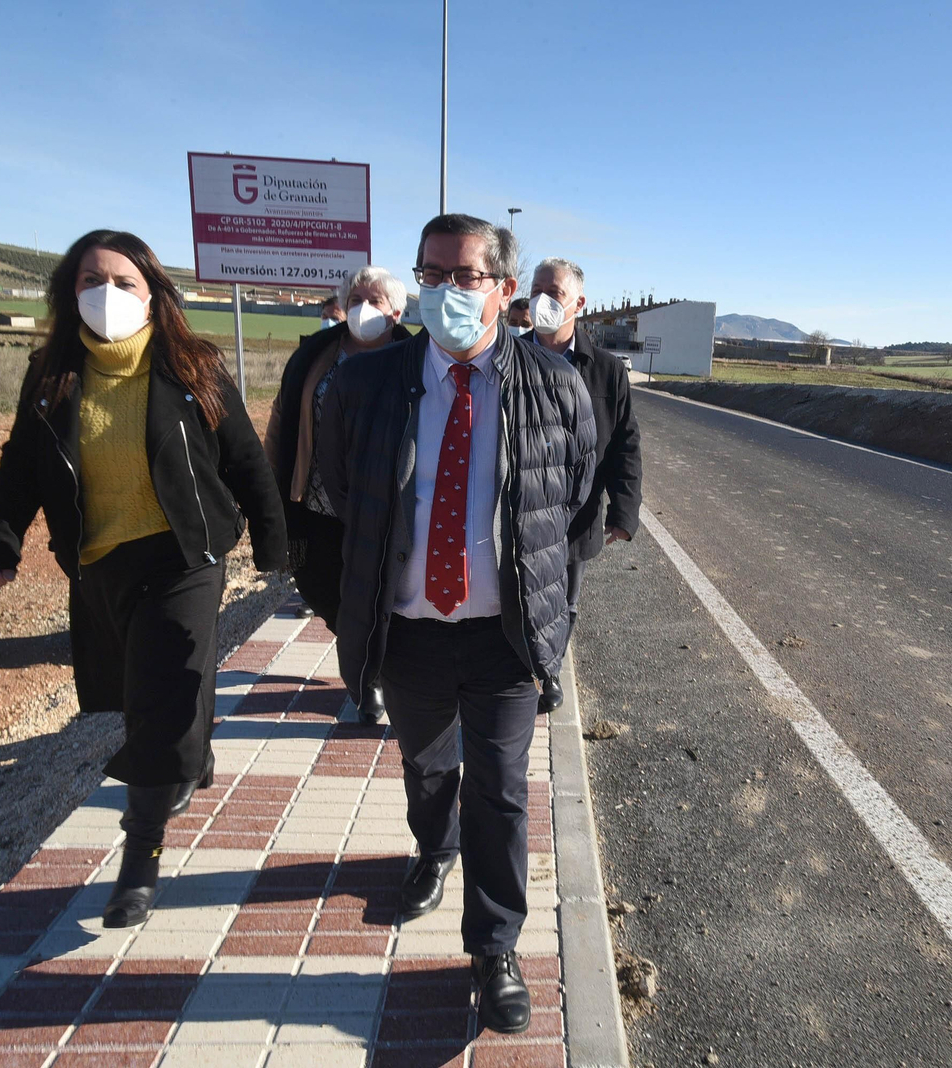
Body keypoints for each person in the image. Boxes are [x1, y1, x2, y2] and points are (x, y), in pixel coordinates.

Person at [316, 213, 594, 1034]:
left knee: (503, 795)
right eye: (429, 274)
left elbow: (569, 505)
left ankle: (496, 946)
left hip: (503, 636)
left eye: (463, 276)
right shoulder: (366, 384)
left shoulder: (554, 387)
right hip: (409, 630)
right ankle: (432, 850)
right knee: (429, 768)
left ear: (505, 290)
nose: (443, 291)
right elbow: (341, 489)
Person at [0, 230, 286, 929]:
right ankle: (187, 755)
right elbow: (21, 467)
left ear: (154, 295)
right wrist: (0, 539)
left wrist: (272, 540)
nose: (106, 295)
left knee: (163, 698)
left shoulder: (190, 367)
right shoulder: (51, 377)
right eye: (91, 280)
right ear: (68, 290)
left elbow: (244, 459)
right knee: (151, 696)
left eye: (123, 283)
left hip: (186, 557)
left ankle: (137, 864)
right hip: (99, 565)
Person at [263, 266, 411, 723]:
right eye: (356, 297)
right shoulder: (316, 354)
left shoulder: (414, 357)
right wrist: (271, 489)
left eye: (375, 300)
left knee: (383, 597)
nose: (363, 307)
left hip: (385, 507)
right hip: (316, 505)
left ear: (396, 311)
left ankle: (371, 679)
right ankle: (358, 652)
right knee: (321, 589)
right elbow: (283, 418)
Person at [525, 258, 642, 712]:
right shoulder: (508, 357)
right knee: (515, 596)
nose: (542, 301)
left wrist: (624, 513)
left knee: (565, 602)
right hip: (517, 506)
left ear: (578, 303)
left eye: (553, 292)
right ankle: (517, 672)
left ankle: (550, 672)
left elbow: (625, 445)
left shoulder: (607, 371)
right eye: (536, 290)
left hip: (577, 513)